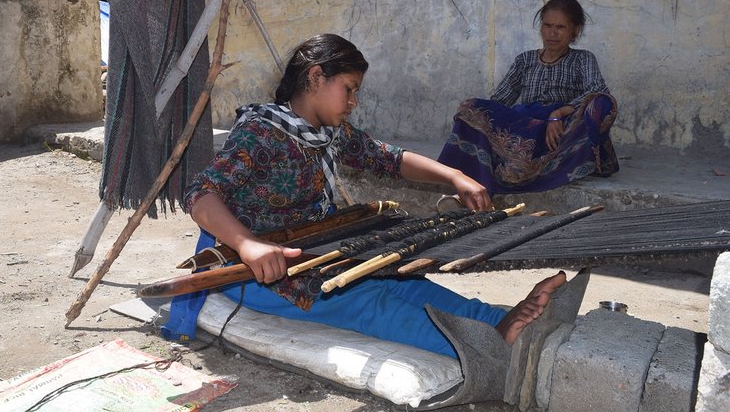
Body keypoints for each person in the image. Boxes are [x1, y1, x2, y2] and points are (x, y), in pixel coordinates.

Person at [163, 33, 566, 358]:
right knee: (368, 304)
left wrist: (454, 176)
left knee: (404, 282)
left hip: (319, 253)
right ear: (317, 78)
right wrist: (248, 245)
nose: (354, 103)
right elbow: (201, 192)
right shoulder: (261, 133)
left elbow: (389, 159)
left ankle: (499, 319)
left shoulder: (329, 134)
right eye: (350, 89)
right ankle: (491, 342)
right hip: (266, 275)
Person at [438, 0, 618, 195]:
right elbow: (500, 100)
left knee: (602, 102)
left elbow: (597, 90)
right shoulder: (525, 60)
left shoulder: (582, 58)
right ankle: (468, 172)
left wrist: (558, 113)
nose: (552, 33)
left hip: (557, 131)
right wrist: (491, 123)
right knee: (470, 108)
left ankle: (531, 159)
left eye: (560, 27)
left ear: (575, 30)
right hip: (524, 127)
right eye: (547, 25)